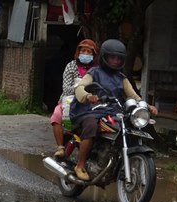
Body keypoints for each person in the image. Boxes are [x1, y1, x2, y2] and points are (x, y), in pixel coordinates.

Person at [69, 39, 158, 181]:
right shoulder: (94, 72)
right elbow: (79, 87)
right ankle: (80, 165)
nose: (115, 61)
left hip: (112, 112)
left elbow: (134, 96)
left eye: (118, 58)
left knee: (128, 126)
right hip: (91, 110)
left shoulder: (121, 78)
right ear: (105, 57)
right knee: (91, 125)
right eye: (112, 57)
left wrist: (146, 106)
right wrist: (88, 96)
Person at [51, 39, 99, 158]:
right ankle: (61, 147)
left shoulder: (97, 70)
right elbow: (66, 88)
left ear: (94, 55)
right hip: (69, 100)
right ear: (78, 52)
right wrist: (80, 90)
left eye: (89, 52)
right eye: (83, 51)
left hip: (91, 102)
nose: (86, 54)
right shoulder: (71, 66)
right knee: (56, 116)